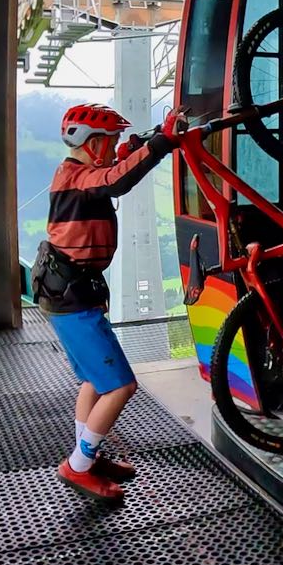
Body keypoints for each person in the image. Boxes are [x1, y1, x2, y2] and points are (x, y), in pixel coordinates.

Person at [33, 103, 185, 503]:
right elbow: (116, 181)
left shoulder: (74, 173)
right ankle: (78, 466)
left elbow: (111, 172)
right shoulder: (79, 178)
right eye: (111, 141)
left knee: (93, 381)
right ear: (92, 143)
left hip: (68, 292)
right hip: (74, 299)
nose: (115, 148)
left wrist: (139, 146)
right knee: (121, 385)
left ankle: (89, 454)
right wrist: (161, 144)